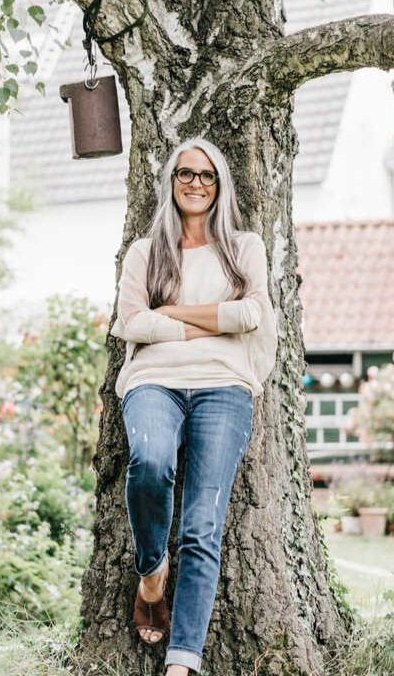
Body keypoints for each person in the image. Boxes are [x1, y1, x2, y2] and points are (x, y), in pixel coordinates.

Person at [110, 137, 278, 675]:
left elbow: (251, 316)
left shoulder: (244, 246)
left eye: (207, 176)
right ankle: (152, 574)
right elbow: (130, 323)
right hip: (153, 381)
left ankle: (182, 662)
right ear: (171, 181)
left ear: (220, 184)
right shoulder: (146, 251)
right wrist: (213, 318)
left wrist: (172, 313)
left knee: (202, 526)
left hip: (224, 386)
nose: (196, 184)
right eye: (186, 174)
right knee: (151, 461)